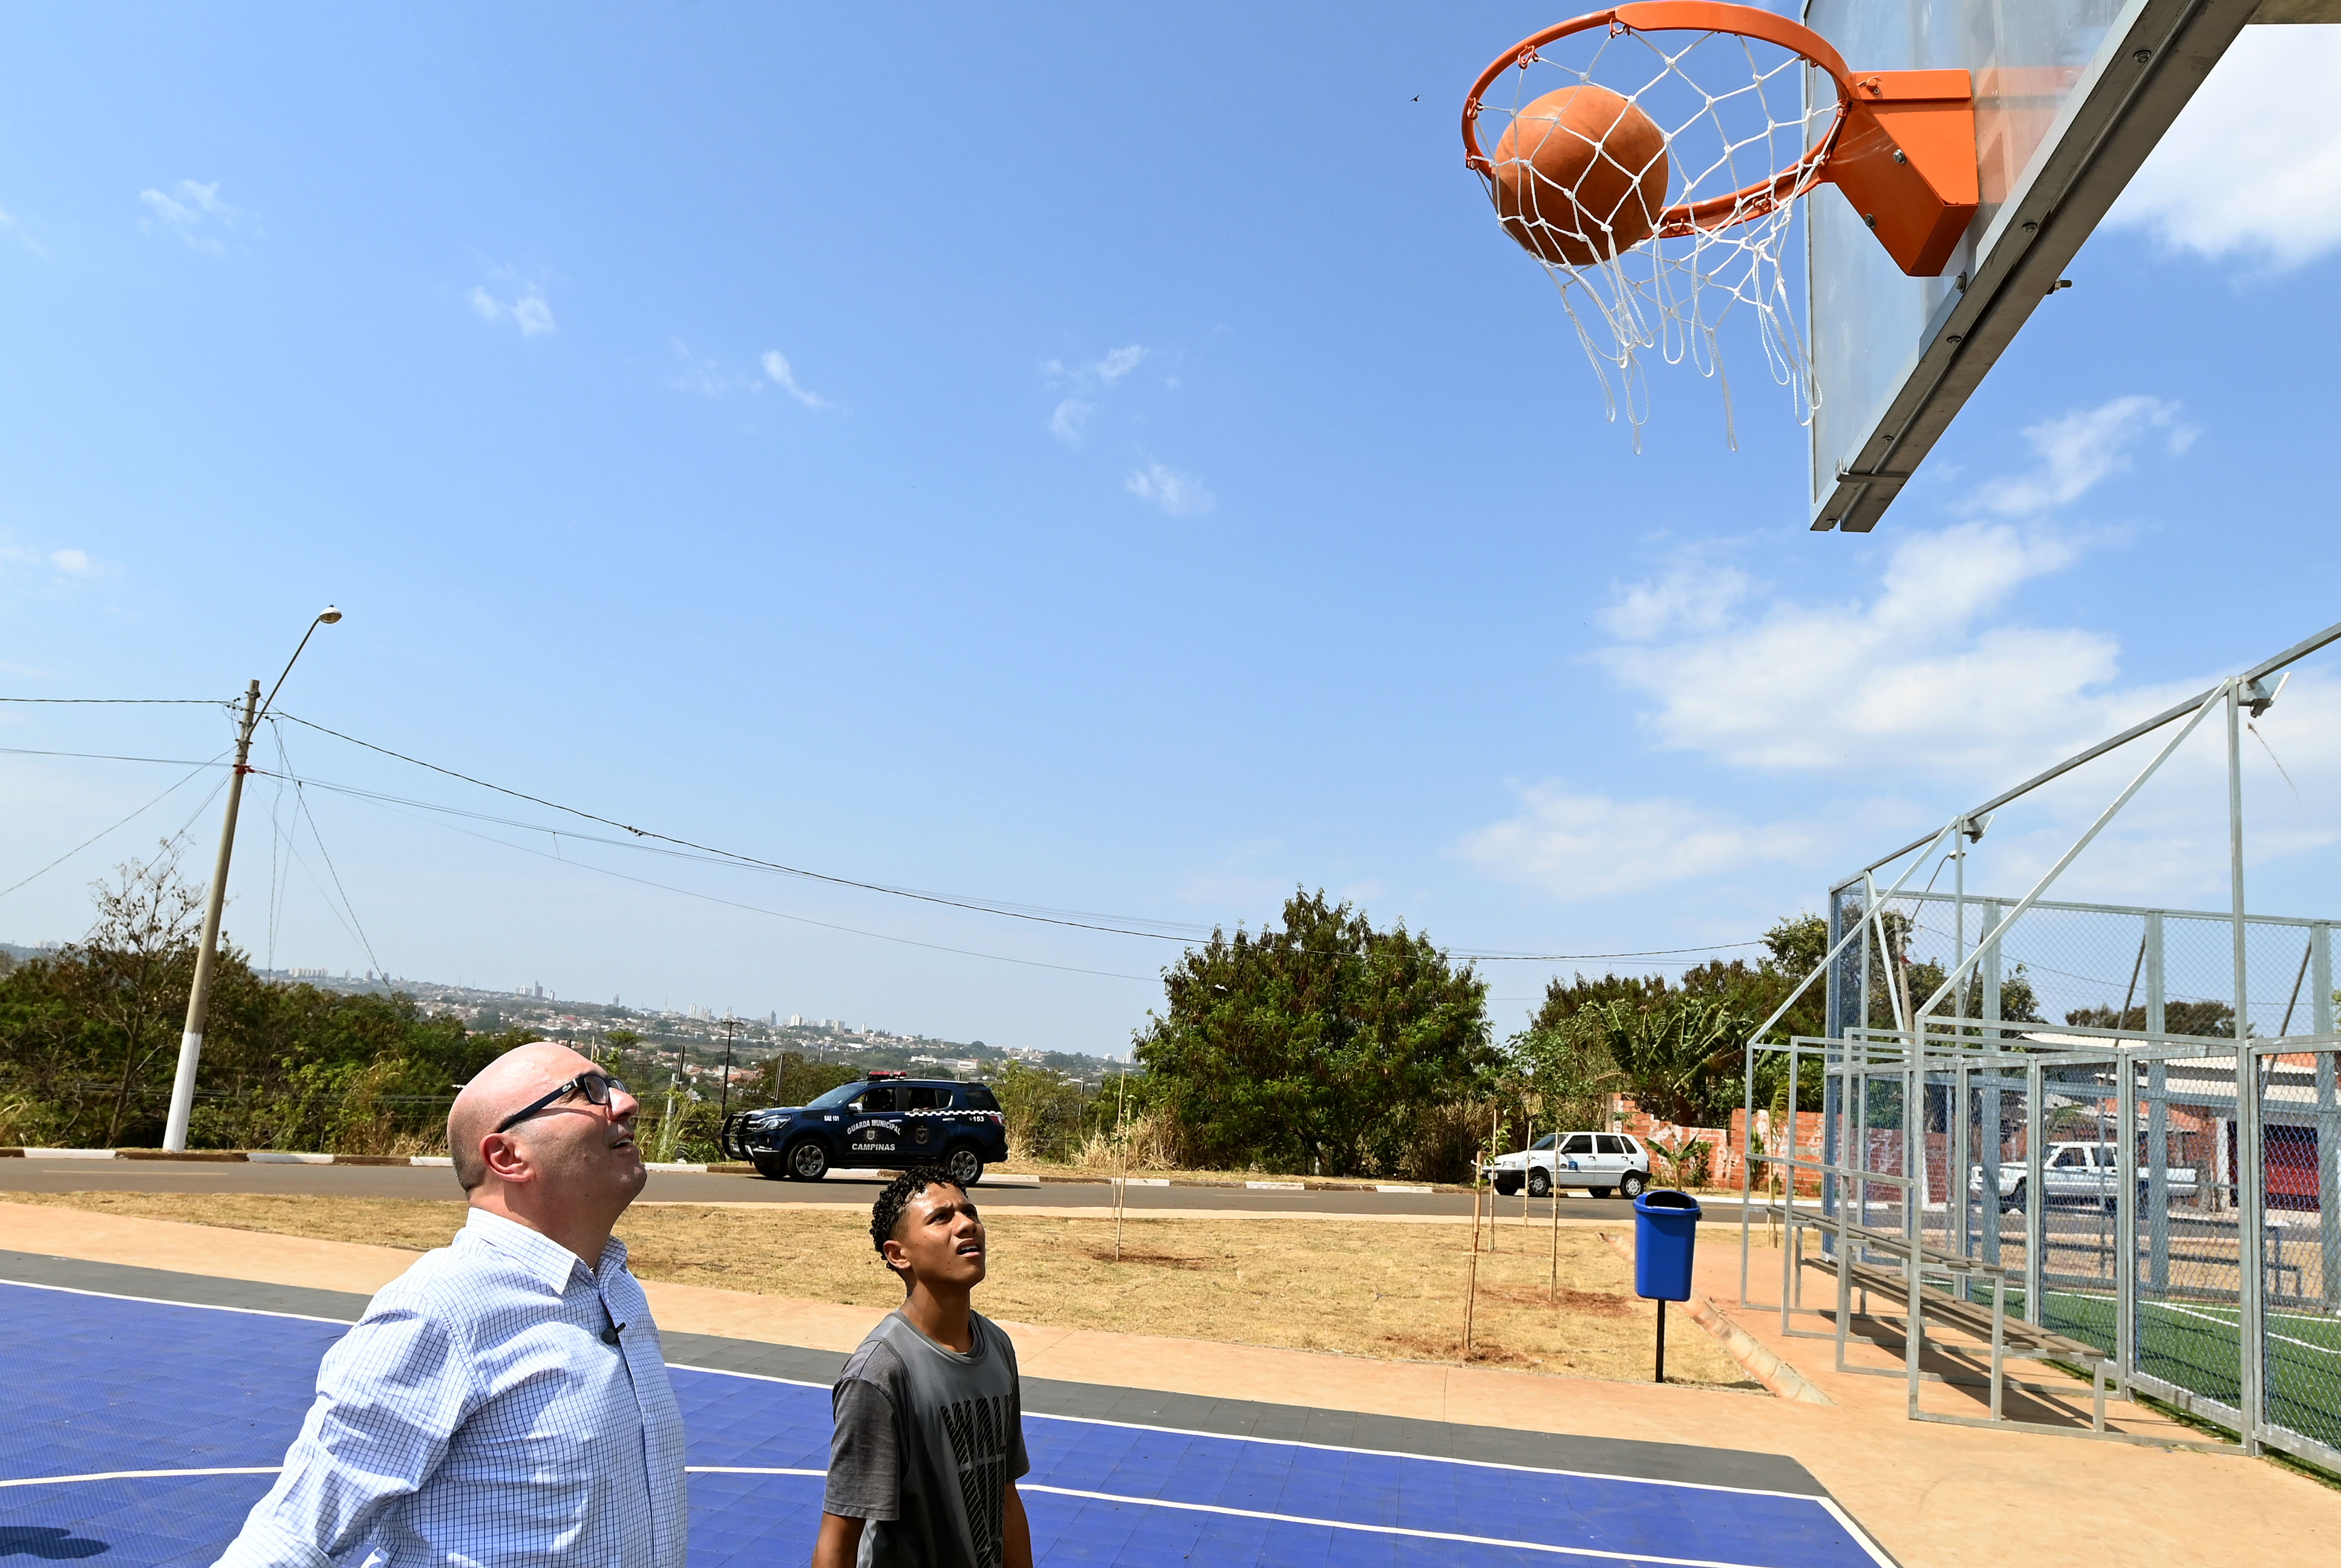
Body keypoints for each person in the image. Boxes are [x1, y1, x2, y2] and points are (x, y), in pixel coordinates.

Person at [212, 1041, 688, 1568]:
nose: (625, 1104)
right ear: (507, 1157)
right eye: (588, 1093)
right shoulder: (440, 1308)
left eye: (613, 1085)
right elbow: (298, 1534)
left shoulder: (617, 1288)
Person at [814, 1168, 1034, 1568]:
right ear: (899, 1254)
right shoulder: (879, 1375)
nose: (967, 1224)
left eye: (970, 1212)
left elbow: (1005, 1498)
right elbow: (839, 1540)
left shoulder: (998, 1347)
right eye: (942, 1218)